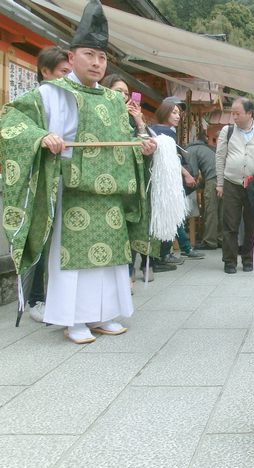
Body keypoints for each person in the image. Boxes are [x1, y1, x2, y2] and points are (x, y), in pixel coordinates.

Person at [0, 0, 157, 343]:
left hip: (111, 189)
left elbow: (123, 141)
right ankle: (73, 320)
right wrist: (43, 136)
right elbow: (10, 119)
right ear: (72, 58)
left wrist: (141, 148)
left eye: (101, 57)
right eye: (89, 55)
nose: (97, 63)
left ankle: (104, 314)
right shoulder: (51, 92)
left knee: (111, 259)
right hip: (74, 188)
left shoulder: (115, 101)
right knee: (74, 260)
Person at [100, 74, 165, 283]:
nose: (123, 97)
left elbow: (144, 145)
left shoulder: (131, 117)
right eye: (118, 91)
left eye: (126, 94)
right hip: (109, 181)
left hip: (133, 180)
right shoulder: (101, 114)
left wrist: (138, 121)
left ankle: (130, 274)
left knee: (135, 225)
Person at [27, 45, 72, 323]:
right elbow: (14, 130)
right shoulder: (36, 97)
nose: (68, 77)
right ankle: (36, 298)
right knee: (44, 238)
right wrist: (41, 137)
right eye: (63, 72)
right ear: (45, 71)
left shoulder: (73, 96)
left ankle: (62, 298)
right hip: (45, 175)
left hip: (71, 174)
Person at [216, 98, 254, 274]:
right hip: (231, 182)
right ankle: (229, 261)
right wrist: (219, 183)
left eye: (237, 113)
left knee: (252, 223)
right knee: (230, 223)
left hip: (253, 186)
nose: (234, 116)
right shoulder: (228, 131)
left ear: (249, 113)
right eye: (232, 113)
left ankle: (249, 259)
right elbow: (220, 157)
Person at [150, 99, 204, 264]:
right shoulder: (164, 131)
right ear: (164, 111)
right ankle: (163, 255)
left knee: (171, 216)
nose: (178, 116)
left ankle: (166, 254)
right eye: (174, 112)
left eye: (179, 112)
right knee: (170, 215)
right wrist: (186, 173)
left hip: (164, 182)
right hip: (164, 183)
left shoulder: (159, 129)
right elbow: (170, 158)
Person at [188, 130, 222, 250]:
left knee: (210, 210)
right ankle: (220, 239)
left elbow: (194, 173)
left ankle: (209, 241)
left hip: (212, 179)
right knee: (221, 210)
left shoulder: (191, 150)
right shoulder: (208, 149)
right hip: (223, 178)